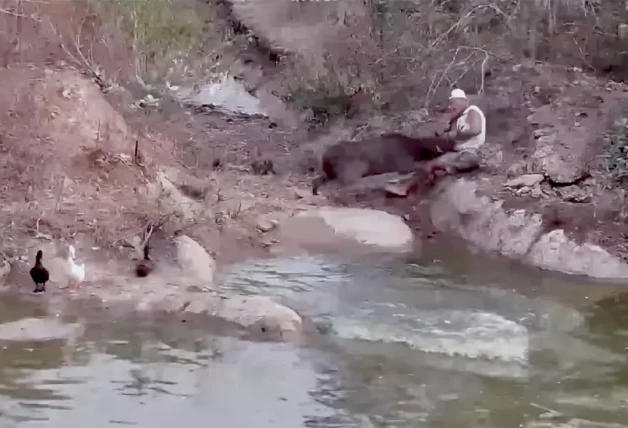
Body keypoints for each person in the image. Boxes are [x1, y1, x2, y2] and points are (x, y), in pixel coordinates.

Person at [428, 88, 486, 176]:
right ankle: (450, 169)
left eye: (452, 103)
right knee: (435, 166)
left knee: (432, 165)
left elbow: (475, 130)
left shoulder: (472, 110)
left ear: (462, 101)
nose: (450, 107)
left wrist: (453, 135)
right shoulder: (460, 118)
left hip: (470, 153)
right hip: (461, 154)